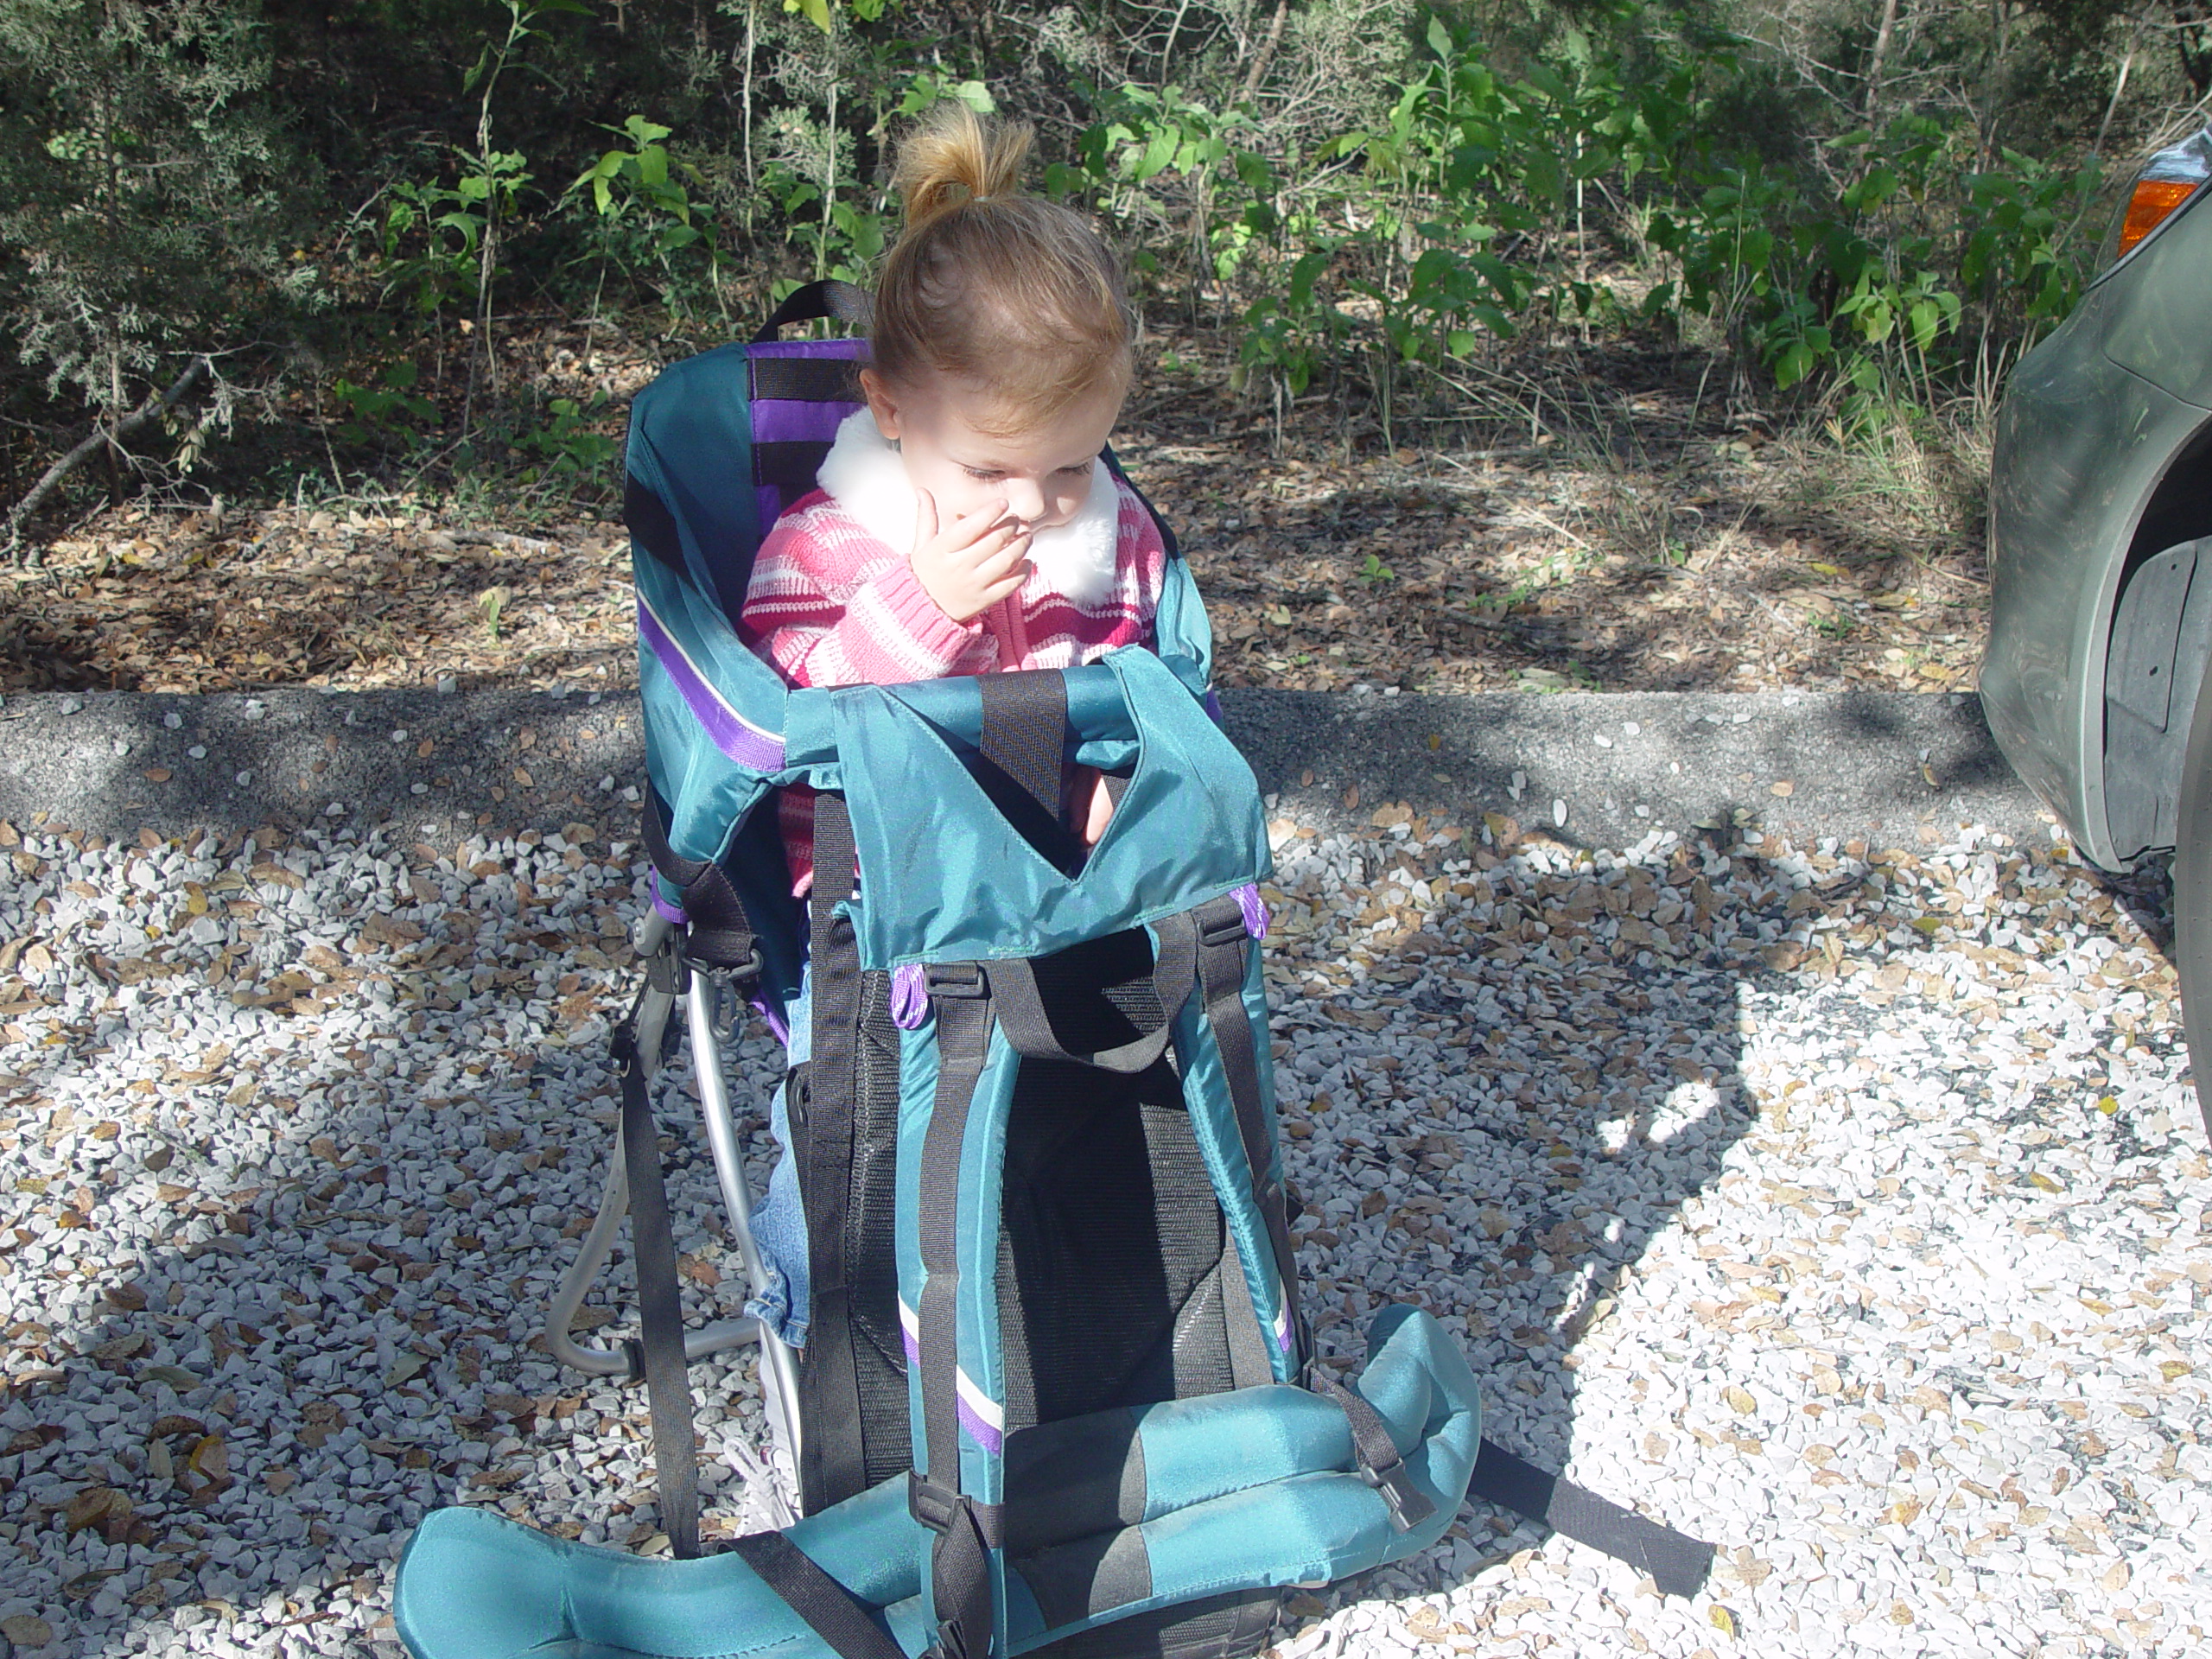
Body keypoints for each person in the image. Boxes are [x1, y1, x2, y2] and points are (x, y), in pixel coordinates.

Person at [739, 103, 1167, 894]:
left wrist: (1123, 774)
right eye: (987, 470)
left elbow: (1151, 684)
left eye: (1073, 465)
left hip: (1071, 879)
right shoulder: (826, 548)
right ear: (890, 409)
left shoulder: (1119, 539)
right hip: (887, 887)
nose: (1034, 506)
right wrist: (920, 606)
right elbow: (780, 722)